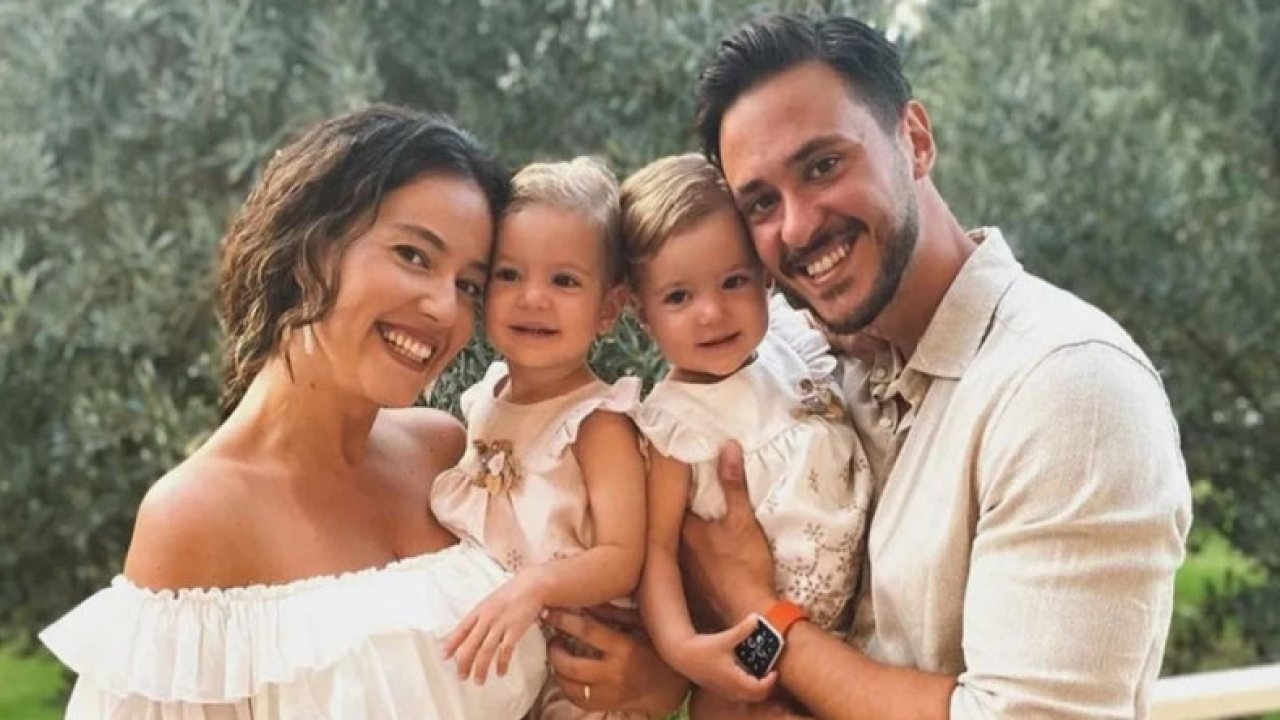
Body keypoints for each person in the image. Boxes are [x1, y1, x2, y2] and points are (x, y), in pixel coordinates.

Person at [676, 12, 1194, 719]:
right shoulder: (795, 369)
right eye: (762, 203)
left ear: (915, 141)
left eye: (823, 166)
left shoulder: (1067, 387)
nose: (796, 226)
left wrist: (758, 614)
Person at [39, 105, 548, 719]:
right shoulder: (196, 518)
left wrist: (633, 680)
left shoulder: (448, 454)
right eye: (413, 255)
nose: (445, 308)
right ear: (309, 249)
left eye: (468, 284)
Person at [619, 153, 873, 703]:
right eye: (679, 297)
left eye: (733, 282)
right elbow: (656, 553)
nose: (712, 313)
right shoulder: (675, 425)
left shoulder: (792, 347)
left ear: (764, 276)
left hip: (858, 636)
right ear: (642, 313)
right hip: (761, 649)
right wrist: (682, 648)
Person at [430, 157, 649, 719]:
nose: (532, 297)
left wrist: (535, 587)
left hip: (574, 671)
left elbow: (623, 557)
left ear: (608, 309)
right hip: (498, 652)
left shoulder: (598, 421)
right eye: (510, 274)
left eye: (564, 281)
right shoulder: (485, 399)